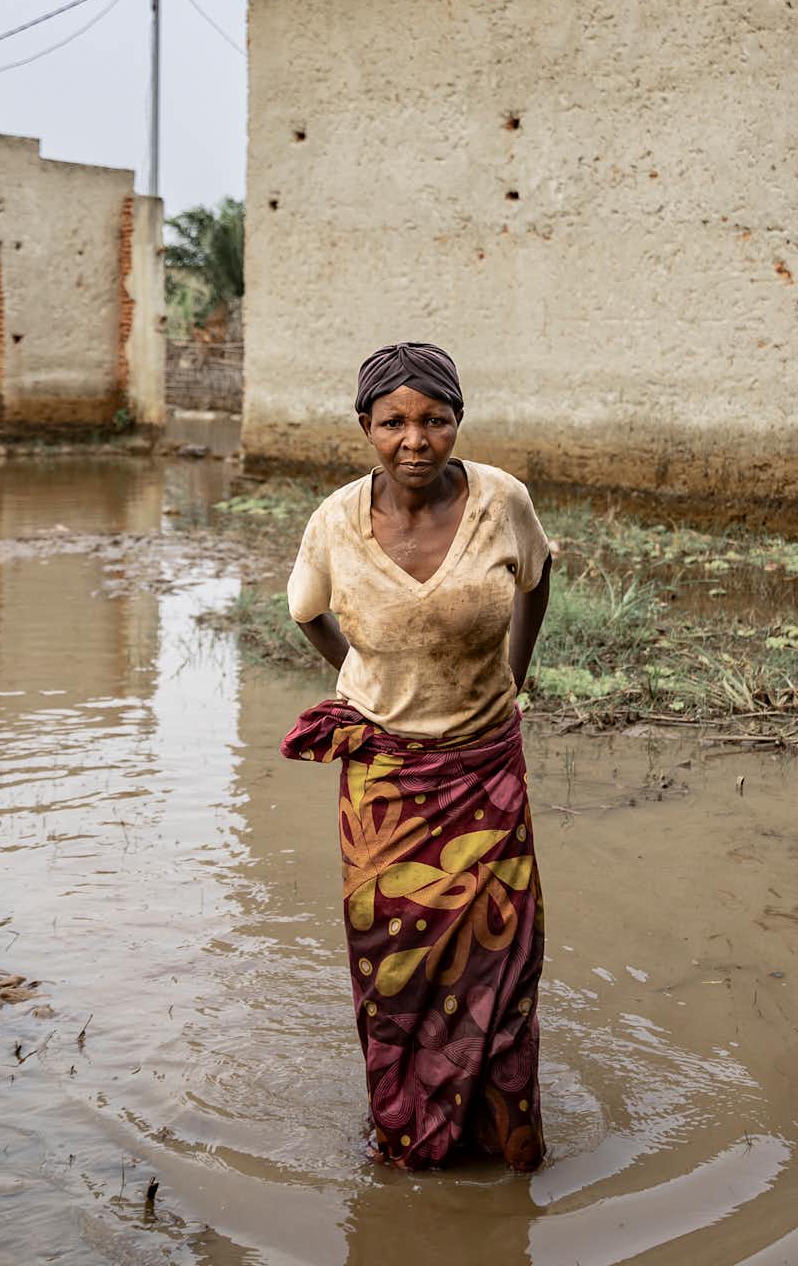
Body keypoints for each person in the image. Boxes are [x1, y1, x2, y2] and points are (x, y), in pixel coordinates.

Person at [280, 341, 553, 1172]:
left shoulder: (501, 500)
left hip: (486, 771)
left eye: (434, 419)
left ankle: (500, 1139)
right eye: (394, 421)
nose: (415, 439)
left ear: (456, 423)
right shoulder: (334, 522)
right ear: (365, 428)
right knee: (394, 970)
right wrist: (365, 684)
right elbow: (306, 614)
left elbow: (537, 581)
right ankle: (407, 1131)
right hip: (387, 784)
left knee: (502, 966)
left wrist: (514, 675)